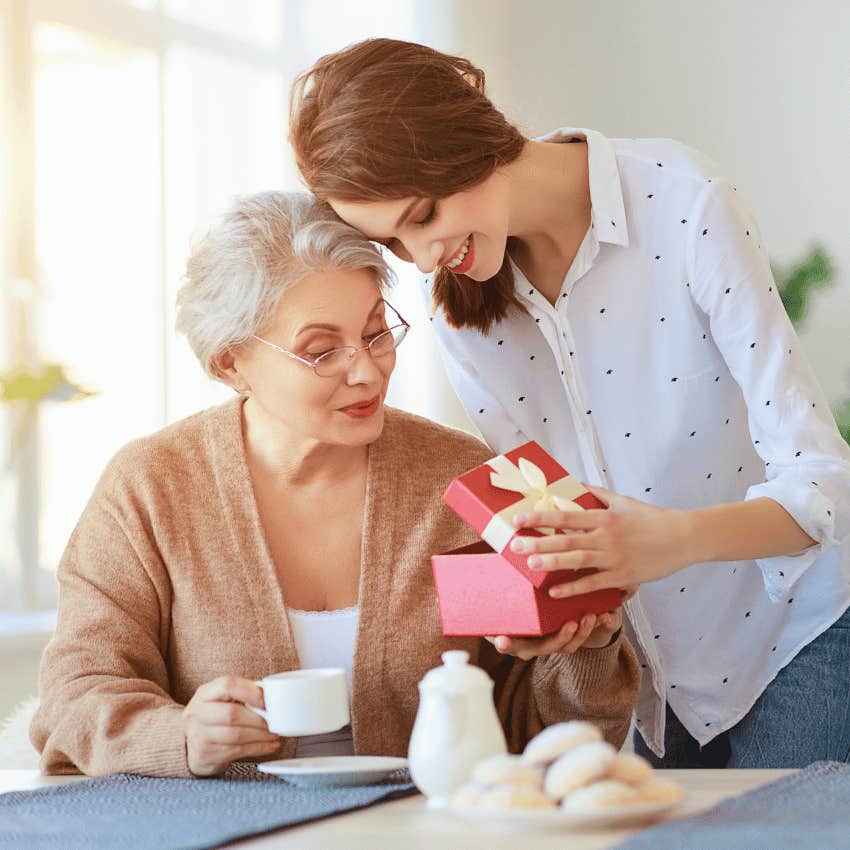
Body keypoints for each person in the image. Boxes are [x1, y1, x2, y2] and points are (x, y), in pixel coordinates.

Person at [288, 38, 850, 768]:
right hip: (650, 682)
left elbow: (825, 485)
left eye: (422, 215)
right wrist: (557, 607)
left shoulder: (683, 202)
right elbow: (556, 517)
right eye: (393, 242)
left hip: (790, 638)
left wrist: (668, 541)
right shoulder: (461, 314)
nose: (422, 257)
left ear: (467, 138)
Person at [30, 191, 639, 778]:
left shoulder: (463, 479)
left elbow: (536, 735)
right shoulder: (150, 488)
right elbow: (75, 696)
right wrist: (180, 735)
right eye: (322, 351)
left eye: (376, 332)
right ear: (230, 363)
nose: (367, 370)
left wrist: (587, 644)